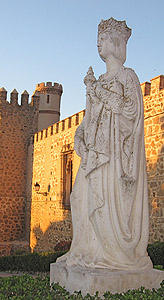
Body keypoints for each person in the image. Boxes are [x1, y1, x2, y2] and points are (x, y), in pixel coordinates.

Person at [57, 18, 152, 271]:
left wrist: (95, 90)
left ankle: (110, 254)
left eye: (104, 37)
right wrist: (79, 137)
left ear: (117, 42)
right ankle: (85, 249)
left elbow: (128, 111)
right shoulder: (99, 80)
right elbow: (90, 119)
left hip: (112, 155)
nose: (98, 42)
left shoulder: (127, 76)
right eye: (98, 38)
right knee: (78, 198)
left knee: (102, 203)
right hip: (93, 154)